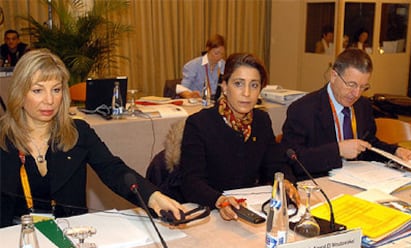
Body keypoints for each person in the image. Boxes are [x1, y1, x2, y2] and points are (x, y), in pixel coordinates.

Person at [0, 49, 183, 227]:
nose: (49, 100)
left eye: (56, 90)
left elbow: (113, 169)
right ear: (20, 93)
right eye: (38, 91)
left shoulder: (78, 131)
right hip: (15, 239)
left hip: (71, 234)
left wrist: (153, 196)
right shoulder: (3, 137)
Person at [179, 53, 300, 221]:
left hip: (249, 209)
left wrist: (285, 181)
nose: (246, 93)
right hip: (210, 211)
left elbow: (275, 164)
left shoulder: (261, 121)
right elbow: (191, 182)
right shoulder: (199, 124)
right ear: (225, 86)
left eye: (254, 85)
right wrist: (219, 200)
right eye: (238, 84)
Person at [281, 48, 411, 179]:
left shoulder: (363, 105)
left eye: (363, 87)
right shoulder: (303, 109)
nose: (356, 94)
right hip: (321, 182)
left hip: (359, 179)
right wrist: (338, 150)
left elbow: (369, 144)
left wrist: (395, 152)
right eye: (351, 85)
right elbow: (293, 160)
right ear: (333, 76)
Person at [178, 34, 226, 99]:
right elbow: (182, 89)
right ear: (208, 49)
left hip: (217, 102)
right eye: (216, 53)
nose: (219, 57)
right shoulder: (193, 65)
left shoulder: (223, 65)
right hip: (199, 102)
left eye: (222, 54)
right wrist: (189, 95)